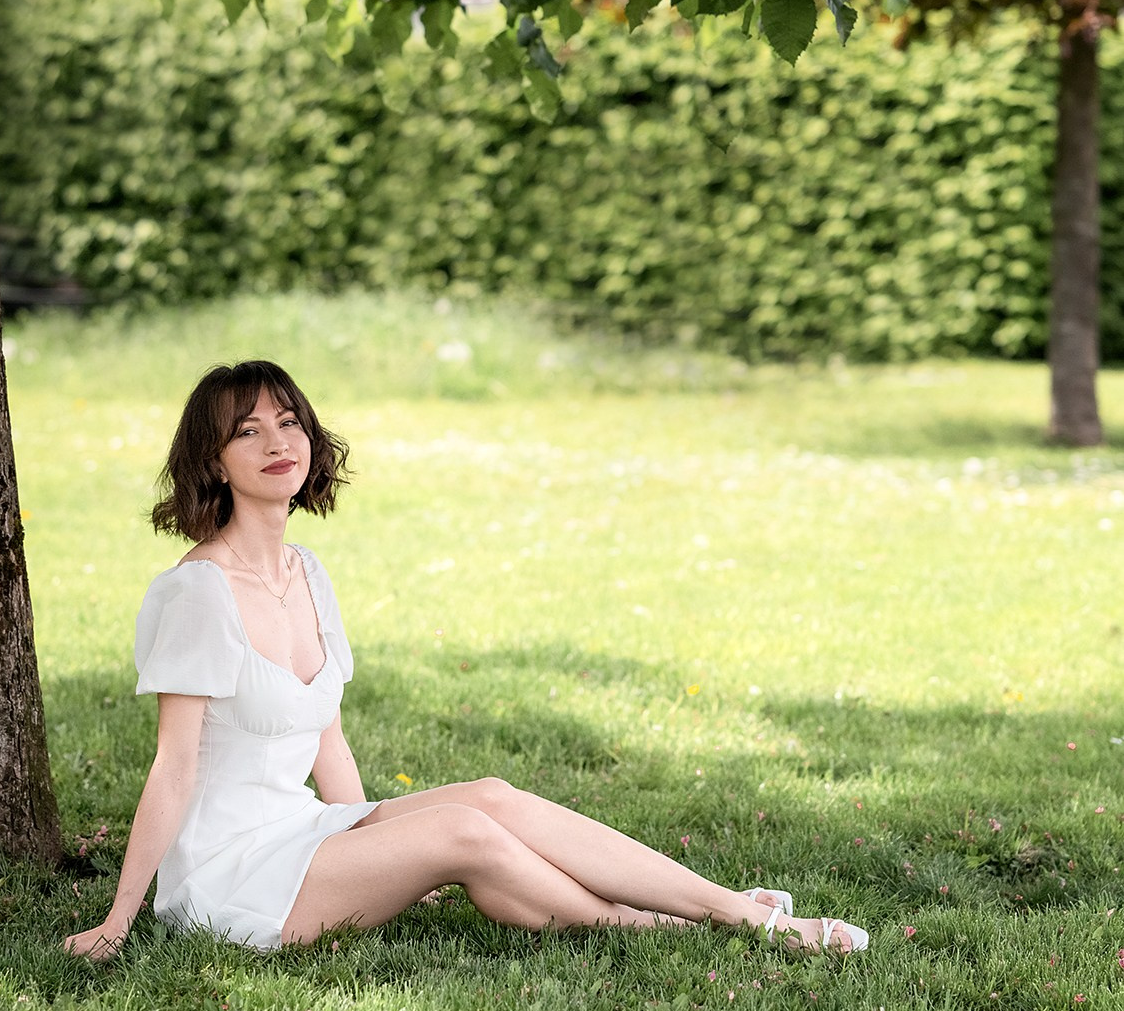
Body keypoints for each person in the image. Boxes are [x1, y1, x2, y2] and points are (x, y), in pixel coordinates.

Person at [65, 360, 868, 961]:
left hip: (301, 832)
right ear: (213, 460)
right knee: (456, 827)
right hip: (228, 874)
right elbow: (172, 769)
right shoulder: (198, 593)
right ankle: (724, 922)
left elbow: (328, 744)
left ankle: (720, 905)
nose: (277, 444)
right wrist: (118, 920)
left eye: (289, 423)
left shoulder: (305, 572)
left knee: (488, 796)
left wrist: (377, 847)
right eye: (248, 432)